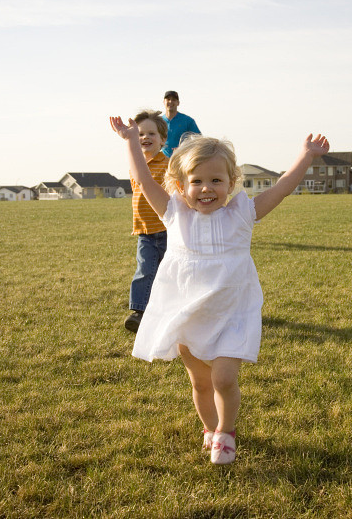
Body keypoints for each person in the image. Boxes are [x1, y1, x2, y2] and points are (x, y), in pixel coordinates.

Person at [110, 114, 330, 465]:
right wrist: (131, 140)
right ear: (181, 185)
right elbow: (142, 178)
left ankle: (226, 433)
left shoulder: (242, 214)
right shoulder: (173, 214)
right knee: (200, 383)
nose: (206, 188)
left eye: (216, 180)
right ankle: (210, 430)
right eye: (197, 181)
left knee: (224, 379)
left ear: (231, 183)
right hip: (188, 311)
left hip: (231, 312)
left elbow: (282, 187)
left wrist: (306, 156)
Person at [123, 110, 169, 333]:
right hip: (144, 230)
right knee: (144, 270)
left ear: (163, 140)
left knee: (169, 272)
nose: (145, 138)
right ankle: (139, 312)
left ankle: (171, 310)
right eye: (140, 134)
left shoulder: (169, 165)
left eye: (151, 133)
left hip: (167, 230)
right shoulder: (136, 166)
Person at [161, 91, 200, 158]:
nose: (170, 102)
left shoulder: (188, 121)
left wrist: (183, 149)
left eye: (173, 100)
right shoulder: (158, 122)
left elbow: (199, 141)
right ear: (164, 102)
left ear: (178, 103)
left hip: (182, 159)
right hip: (161, 160)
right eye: (168, 99)